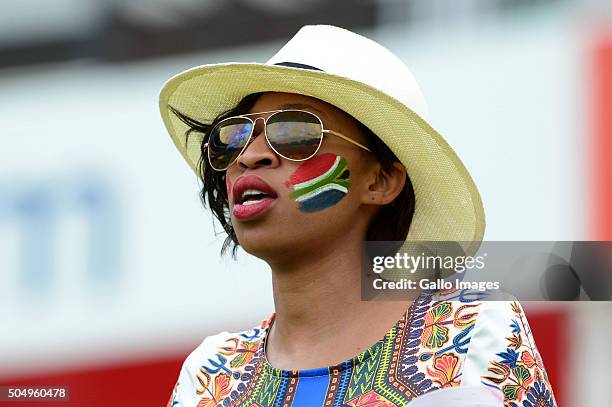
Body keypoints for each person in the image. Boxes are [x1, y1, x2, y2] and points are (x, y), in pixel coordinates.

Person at [159, 25, 556, 407]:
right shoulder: (210, 377)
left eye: (296, 133)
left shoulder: (469, 334)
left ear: (381, 181)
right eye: (234, 137)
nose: (249, 156)